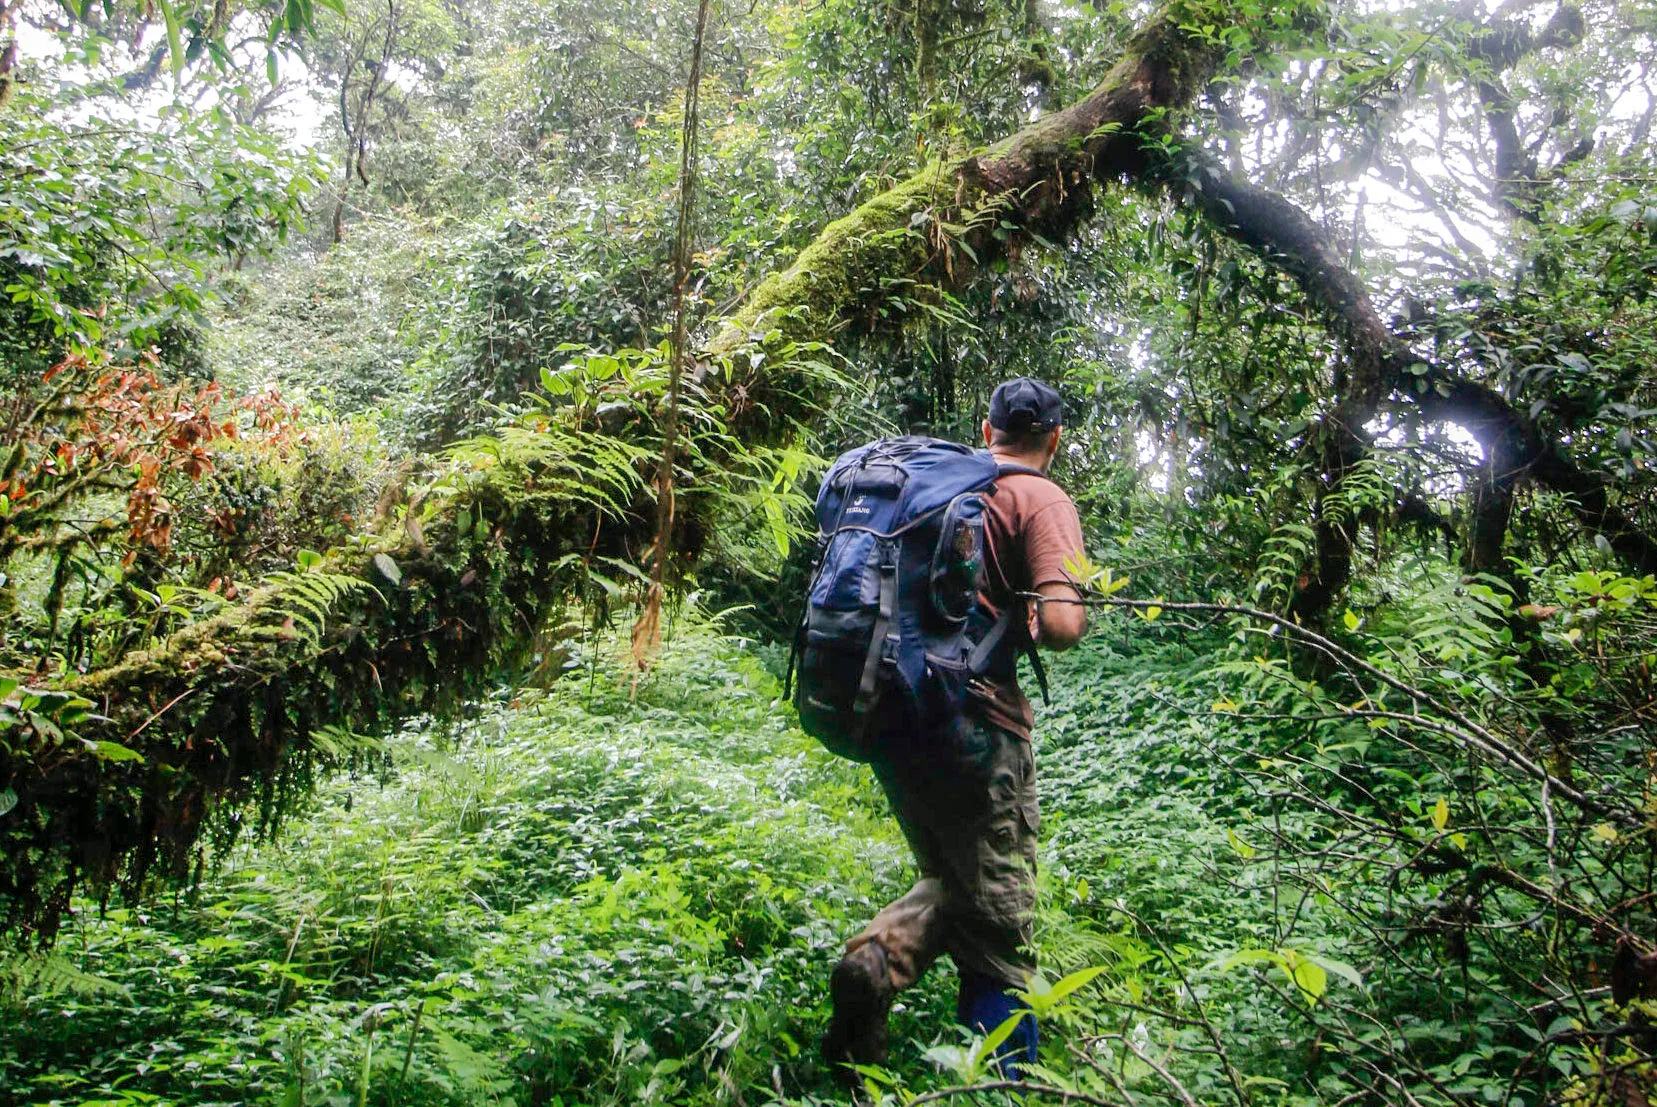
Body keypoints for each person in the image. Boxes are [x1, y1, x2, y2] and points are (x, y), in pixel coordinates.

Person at [822, 376, 1089, 1082]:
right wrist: (1044, 612)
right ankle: (1002, 1084)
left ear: (985, 429)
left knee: (953, 878)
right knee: (998, 922)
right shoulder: (1040, 497)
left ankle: (876, 959)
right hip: (979, 728)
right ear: (1053, 439)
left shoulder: (940, 485)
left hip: (897, 715)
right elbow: (1061, 625)